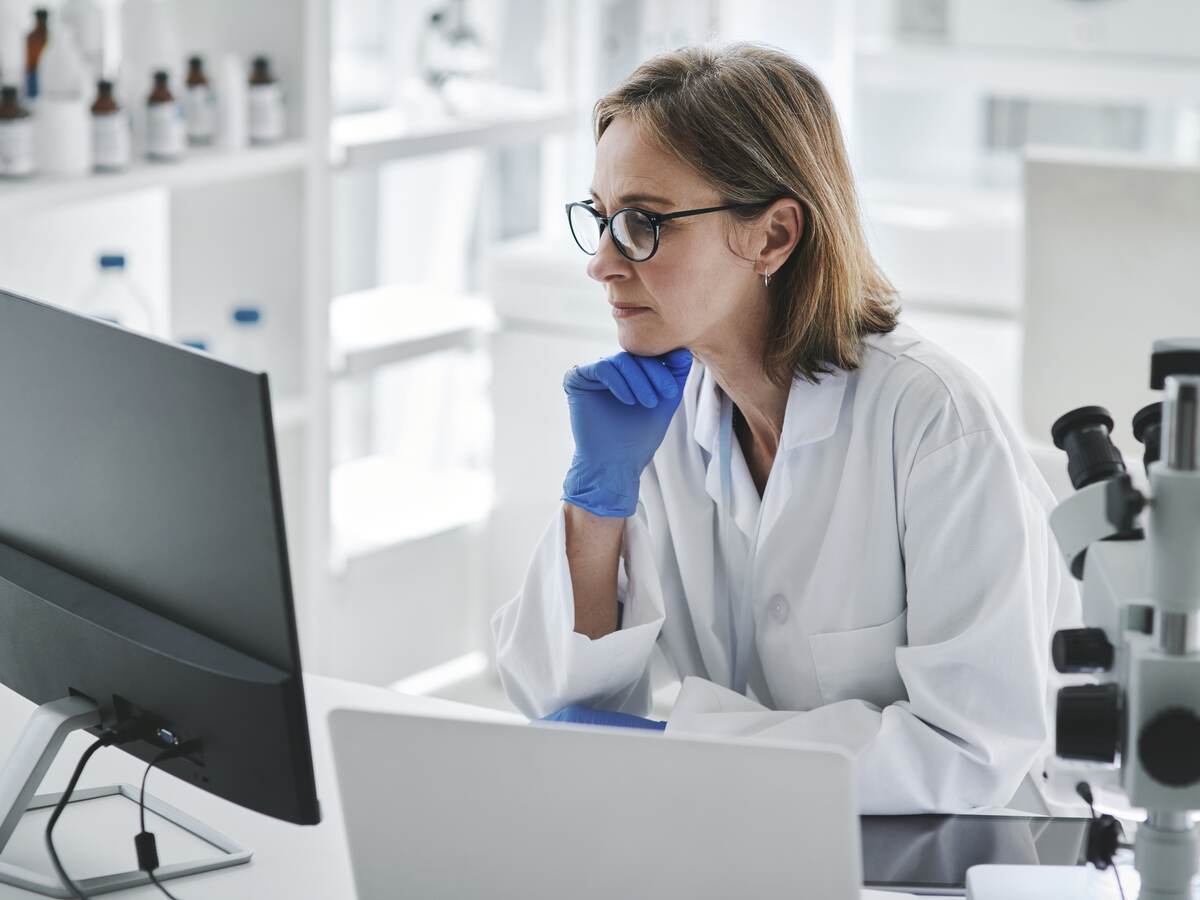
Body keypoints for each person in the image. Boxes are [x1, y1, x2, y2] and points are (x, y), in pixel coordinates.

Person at [490, 42, 1080, 814]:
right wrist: (594, 504)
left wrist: (685, 749)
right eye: (600, 220)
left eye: (642, 223)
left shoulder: (934, 424)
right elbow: (558, 704)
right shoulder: (653, 420)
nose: (602, 262)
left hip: (965, 854)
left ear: (772, 237)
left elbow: (972, 754)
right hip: (762, 833)